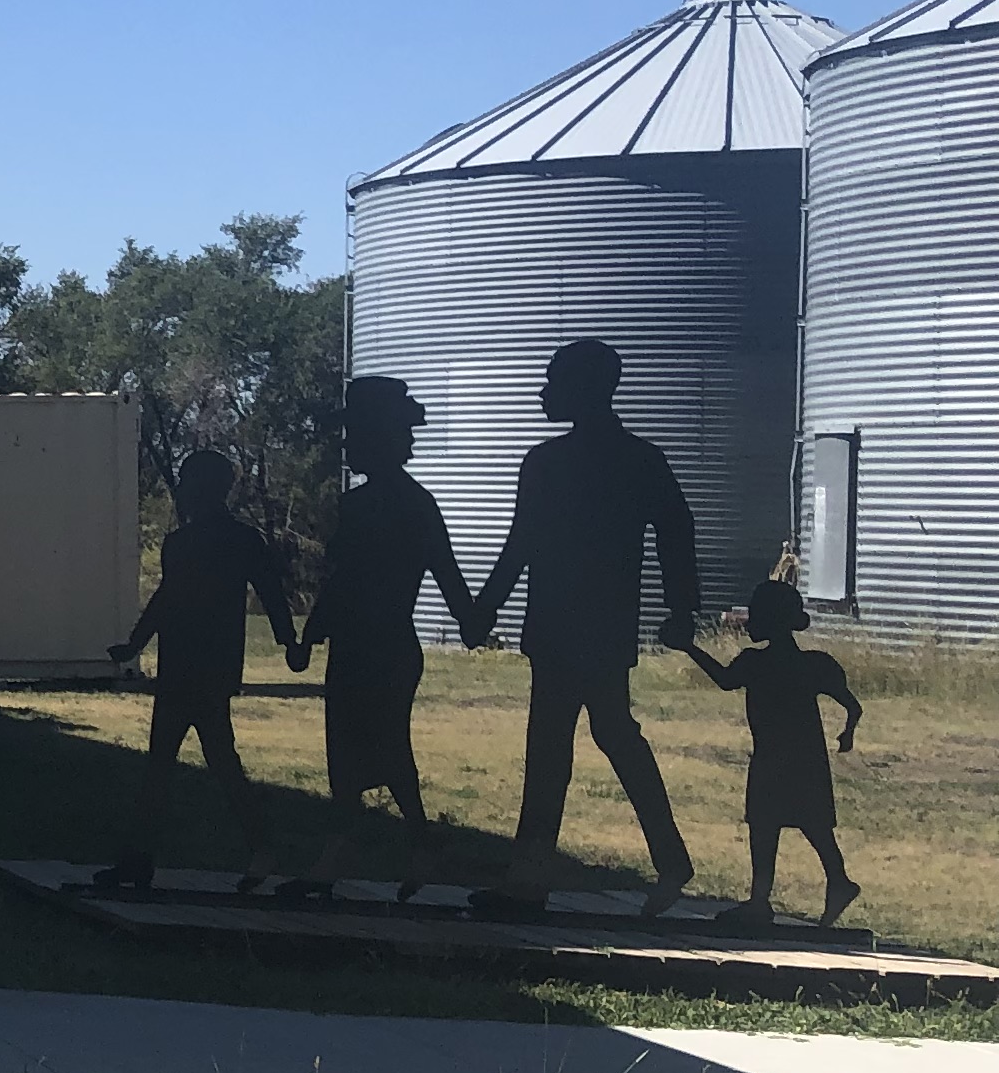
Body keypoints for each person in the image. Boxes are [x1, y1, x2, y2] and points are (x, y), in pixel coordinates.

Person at [469, 337, 702, 916]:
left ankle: (531, 877)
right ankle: (668, 859)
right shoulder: (639, 459)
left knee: (558, 744)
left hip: (559, 623)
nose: (543, 392)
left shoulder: (549, 462)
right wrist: (681, 610)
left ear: (583, 389)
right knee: (610, 733)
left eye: (553, 381)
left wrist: (485, 607)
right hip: (602, 623)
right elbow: (678, 532)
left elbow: (520, 543)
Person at [289, 373, 478, 896]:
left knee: (384, 745)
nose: (349, 447)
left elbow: (436, 570)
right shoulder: (386, 504)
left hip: (382, 644)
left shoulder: (399, 505)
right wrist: (315, 632)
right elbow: (345, 581)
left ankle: (400, 845)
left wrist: (312, 632)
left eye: (357, 436)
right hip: (368, 642)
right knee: (353, 748)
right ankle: (370, 845)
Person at [100, 446, 300, 892]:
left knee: (194, 762)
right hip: (194, 666)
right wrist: (134, 644)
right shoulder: (217, 541)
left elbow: (266, 593)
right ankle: (153, 857)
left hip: (198, 667)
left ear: (205, 490)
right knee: (188, 763)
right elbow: (170, 599)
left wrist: (289, 642)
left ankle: (252, 849)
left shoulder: (209, 542)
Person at [676, 577, 864, 929]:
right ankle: (833, 882)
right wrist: (847, 732)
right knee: (811, 824)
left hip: (773, 758)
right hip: (805, 759)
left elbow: (723, 679)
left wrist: (690, 647)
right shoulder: (814, 665)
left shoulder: (755, 663)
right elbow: (853, 706)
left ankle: (765, 900)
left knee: (766, 826)